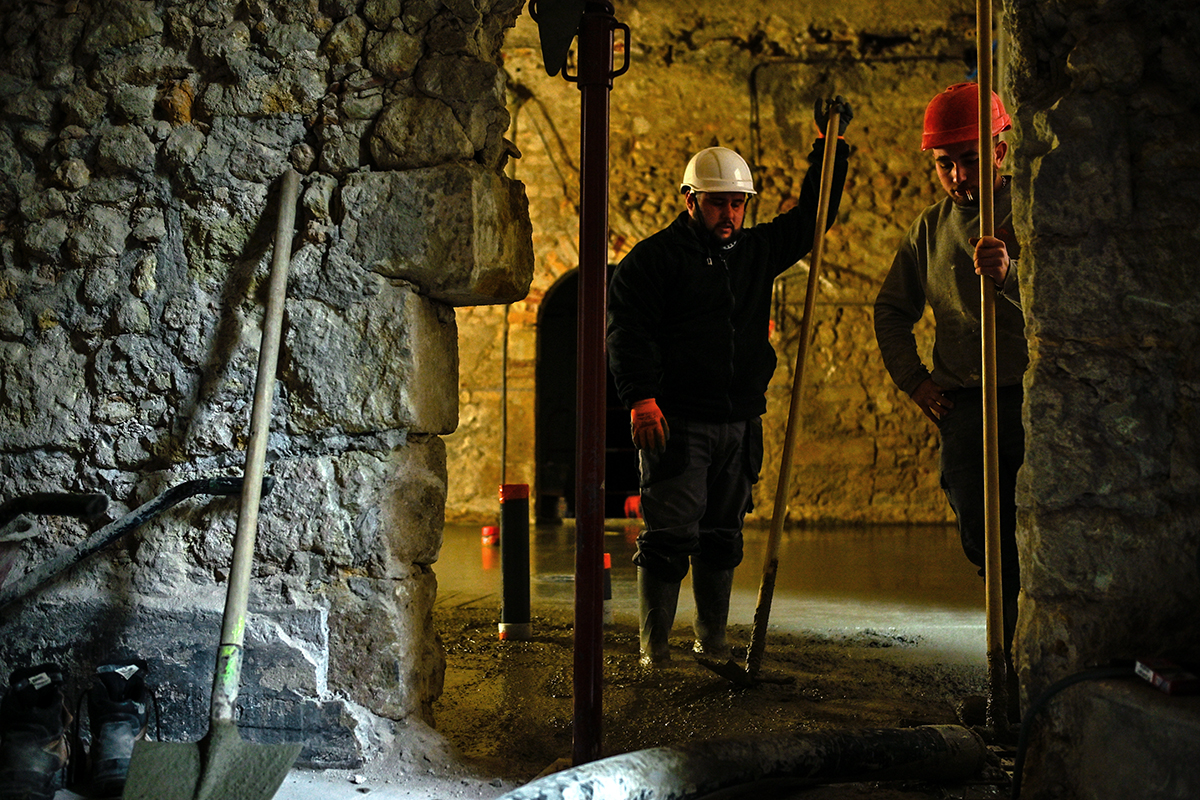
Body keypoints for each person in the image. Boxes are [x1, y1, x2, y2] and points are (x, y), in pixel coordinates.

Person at [607, 98, 852, 667]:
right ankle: (655, 649)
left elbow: (813, 217)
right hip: (679, 421)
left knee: (722, 537)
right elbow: (628, 332)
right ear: (690, 199)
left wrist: (829, 146)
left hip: (739, 421)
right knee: (670, 536)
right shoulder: (653, 261)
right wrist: (641, 398)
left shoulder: (754, 253)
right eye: (718, 203)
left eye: (738, 204)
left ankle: (711, 642)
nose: (729, 214)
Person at [873, 82, 1025, 695]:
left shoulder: (1031, 214)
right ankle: (1010, 642)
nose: (958, 174)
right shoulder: (929, 231)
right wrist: (915, 381)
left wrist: (1012, 275)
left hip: (1026, 399)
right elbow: (891, 309)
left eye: (969, 157)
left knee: (1026, 533)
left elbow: (1070, 308)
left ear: (999, 151)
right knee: (980, 531)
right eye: (946, 163)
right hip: (963, 403)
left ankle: (1017, 664)